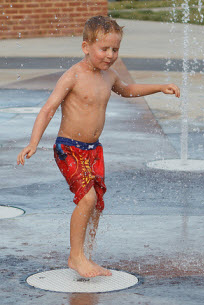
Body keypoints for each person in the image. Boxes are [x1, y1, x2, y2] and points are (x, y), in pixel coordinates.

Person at [16, 15, 180, 278]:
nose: (110, 55)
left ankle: (86, 255)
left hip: (93, 150)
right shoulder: (73, 75)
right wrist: (33, 142)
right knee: (87, 198)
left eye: (115, 49)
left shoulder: (109, 76)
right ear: (85, 47)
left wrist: (160, 87)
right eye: (104, 49)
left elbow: (127, 90)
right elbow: (48, 109)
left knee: (96, 204)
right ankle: (76, 257)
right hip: (69, 148)